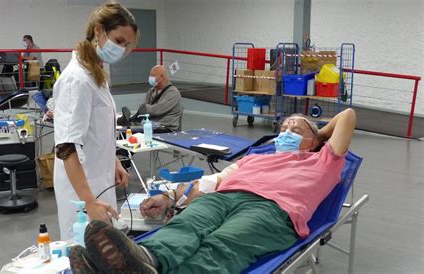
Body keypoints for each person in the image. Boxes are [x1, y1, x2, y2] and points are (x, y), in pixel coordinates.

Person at [69, 108, 357, 274]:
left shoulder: (324, 161)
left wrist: (317, 135)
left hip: (273, 210)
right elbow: (212, 182)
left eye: (295, 130)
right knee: (187, 224)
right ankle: (146, 260)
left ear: (315, 139)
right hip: (223, 198)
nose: (285, 133)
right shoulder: (256, 157)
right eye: (283, 128)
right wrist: (169, 196)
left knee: (223, 244)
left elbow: (348, 115)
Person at [53, 3, 138, 241]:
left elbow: (96, 132)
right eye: (119, 40)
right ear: (99, 31)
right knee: (85, 254)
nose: (122, 49)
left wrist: (114, 162)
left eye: (126, 45)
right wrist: (89, 202)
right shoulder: (77, 80)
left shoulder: (96, 74)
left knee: (106, 253)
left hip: (99, 182)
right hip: (81, 192)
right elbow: (66, 147)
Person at [117, 65, 183, 133]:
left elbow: (155, 110)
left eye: (153, 76)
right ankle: (127, 120)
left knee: (132, 132)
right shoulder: (152, 91)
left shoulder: (173, 93)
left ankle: (129, 120)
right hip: (151, 125)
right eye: (150, 75)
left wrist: (145, 108)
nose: (150, 78)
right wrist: (144, 108)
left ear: (162, 77)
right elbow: (143, 108)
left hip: (166, 128)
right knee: (126, 131)